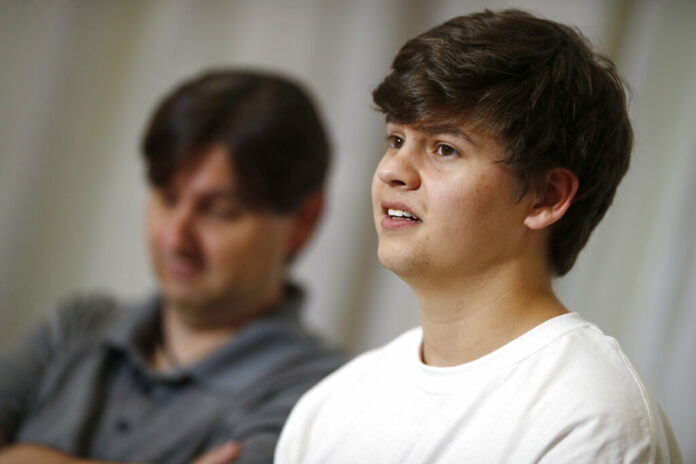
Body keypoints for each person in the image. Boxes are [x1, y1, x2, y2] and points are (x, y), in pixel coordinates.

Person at [276, 9, 683, 463]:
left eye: (444, 149)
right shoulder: (330, 405)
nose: (391, 171)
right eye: (395, 140)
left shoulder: (591, 419)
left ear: (546, 197)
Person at [0, 70, 345, 464]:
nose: (175, 238)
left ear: (303, 221)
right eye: (167, 197)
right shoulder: (76, 326)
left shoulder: (324, 394)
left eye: (219, 212)